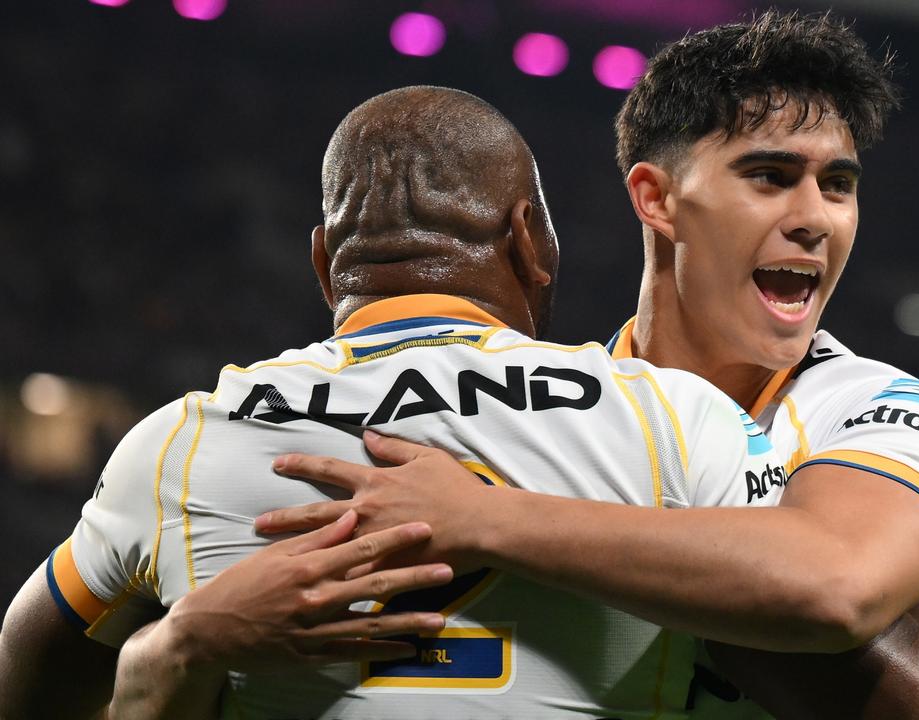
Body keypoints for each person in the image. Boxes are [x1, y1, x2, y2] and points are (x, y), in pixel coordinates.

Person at [250, 10, 919, 718]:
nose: (814, 218)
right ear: (657, 199)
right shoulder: (547, 402)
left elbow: (910, 680)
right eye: (770, 176)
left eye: (837, 185)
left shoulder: (878, 406)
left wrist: (488, 517)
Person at [0, 86, 794, 719]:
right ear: (529, 240)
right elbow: (809, 621)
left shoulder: (180, 440)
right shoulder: (674, 419)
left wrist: (173, 648)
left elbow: (24, 683)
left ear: (324, 261)